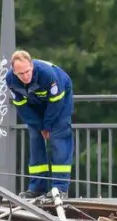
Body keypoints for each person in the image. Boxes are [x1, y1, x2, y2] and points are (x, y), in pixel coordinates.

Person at [5, 50, 74, 199]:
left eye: (27, 71)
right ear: (14, 71)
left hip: (59, 101)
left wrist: (47, 126)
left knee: (59, 138)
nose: (25, 76)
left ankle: (60, 188)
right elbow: (21, 106)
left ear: (32, 65)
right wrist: (38, 126)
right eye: (20, 74)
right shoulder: (10, 79)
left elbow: (56, 103)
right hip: (35, 103)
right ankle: (37, 188)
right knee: (35, 139)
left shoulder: (47, 74)